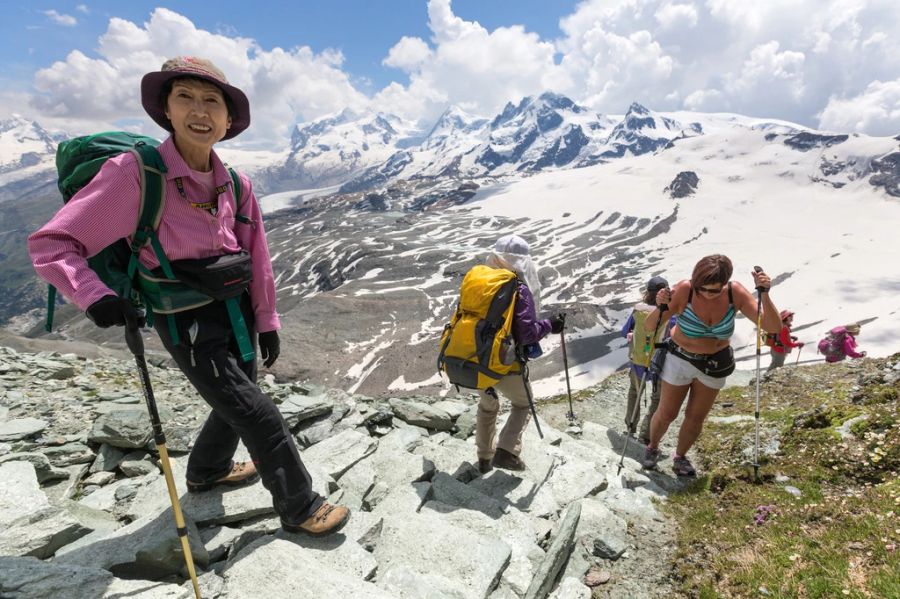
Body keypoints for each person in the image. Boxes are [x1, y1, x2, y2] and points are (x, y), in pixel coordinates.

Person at [28, 57, 349, 536]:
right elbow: (53, 243)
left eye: (211, 101)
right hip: (185, 321)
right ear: (167, 110)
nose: (200, 111)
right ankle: (300, 506)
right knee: (257, 411)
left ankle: (206, 470)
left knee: (238, 398)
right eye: (186, 97)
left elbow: (256, 256)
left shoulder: (236, 184)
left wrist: (267, 320)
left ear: (227, 120)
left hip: (235, 311)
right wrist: (94, 296)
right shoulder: (135, 176)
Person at [642, 255, 781, 476]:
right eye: (702, 289)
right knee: (667, 412)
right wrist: (661, 306)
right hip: (680, 358)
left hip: (715, 363)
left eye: (714, 290)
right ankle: (652, 447)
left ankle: (680, 457)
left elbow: (773, 326)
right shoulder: (685, 290)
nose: (707, 293)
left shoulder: (735, 292)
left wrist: (764, 294)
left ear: (725, 283)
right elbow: (650, 326)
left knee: (696, 417)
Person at [475, 235, 563, 474]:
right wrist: (549, 325)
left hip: (475, 359)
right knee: (523, 403)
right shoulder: (518, 287)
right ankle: (506, 450)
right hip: (505, 361)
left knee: (488, 405)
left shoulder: (480, 281)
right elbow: (526, 333)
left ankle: (484, 458)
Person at [620, 275, 675, 445]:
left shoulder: (639, 310)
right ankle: (647, 435)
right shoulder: (672, 314)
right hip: (661, 362)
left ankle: (630, 426)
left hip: (638, 359)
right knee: (657, 399)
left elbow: (624, 331)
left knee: (635, 392)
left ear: (648, 293)